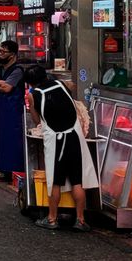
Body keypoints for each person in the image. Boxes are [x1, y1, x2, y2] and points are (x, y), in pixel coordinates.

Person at [24, 65, 99, 231]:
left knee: (55, 182)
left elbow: (37, 120)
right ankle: (80, 220)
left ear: (30, 82)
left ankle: (52, 218)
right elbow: (73, 89)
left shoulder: (33, 95)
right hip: (74, 137)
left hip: (56, 140)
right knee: (77, 181)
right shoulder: (62, 84)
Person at [0, 40, 26, 181]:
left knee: (14, 141)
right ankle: (3, 169)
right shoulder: (0, 69)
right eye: (0, 51)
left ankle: (14, 172)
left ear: (13, 55)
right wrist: (0, 83)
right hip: (2, 110)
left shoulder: (17, 70)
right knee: (2, 139)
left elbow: (7, 88)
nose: (0, 54)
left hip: (15, 112)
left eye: (3, 52)